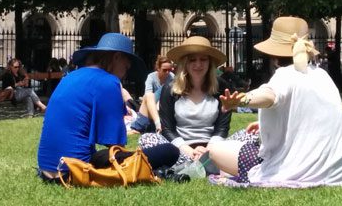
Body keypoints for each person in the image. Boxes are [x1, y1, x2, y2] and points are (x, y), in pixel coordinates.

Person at [208, 16, 342, 186]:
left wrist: (242, 100)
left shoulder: (285, 75)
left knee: (216, 149)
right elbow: (307, 116)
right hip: (339, 173)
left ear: (274, 56)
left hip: (298, 171)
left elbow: (268, 96)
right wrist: (266, 123)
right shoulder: (322, 75)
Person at [37, 33, 179, 183]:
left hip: (48, 170)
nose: (129, 66)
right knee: (170, 151)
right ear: (116, 57)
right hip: (75, 170)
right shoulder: (109, 82)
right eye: (127, 60)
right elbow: (115, 145)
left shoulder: (71, 76)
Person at [138, 36, 232, 166]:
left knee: (250, 135)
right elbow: (167, 128)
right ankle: (206, 164)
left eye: (203, 59)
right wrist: (188, 150)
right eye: (192, 60)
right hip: (181, 148)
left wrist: (208, 150)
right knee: (147, 138)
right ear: (185, 63)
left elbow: (223, 127)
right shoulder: (170, 88)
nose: (198, 64)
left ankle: (204, 162)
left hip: (214, 147)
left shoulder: (221, 87)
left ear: (210, 62)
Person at [130, 55, 175, 134]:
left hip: (164, 107)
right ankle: (157, 124)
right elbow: (147, 96)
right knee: (150, 95)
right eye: (165, 70)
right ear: (158, 69)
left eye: (170, 70)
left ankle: (151, 126)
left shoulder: (172, 77)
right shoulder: (151, 77)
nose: (168, 72)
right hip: (152, 106)